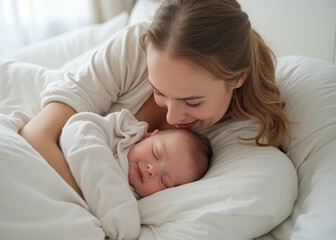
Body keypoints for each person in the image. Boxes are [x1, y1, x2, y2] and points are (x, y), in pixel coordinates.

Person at [19, 0, 289, 201]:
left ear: (238, 79)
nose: (172, 118)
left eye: (193, 102)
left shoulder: (243, 132)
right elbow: (36, 133)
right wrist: (103, 205)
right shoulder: (135, 48)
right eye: (159, 91)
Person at [58, 109, 212, 239]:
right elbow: (78, 128)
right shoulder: (122, 132)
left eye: (163, 180)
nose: (152, 170)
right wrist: (116, 206)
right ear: (148, 136)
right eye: (156, 153)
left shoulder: (138, 206)